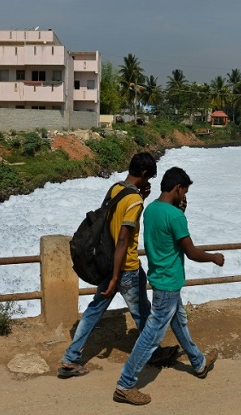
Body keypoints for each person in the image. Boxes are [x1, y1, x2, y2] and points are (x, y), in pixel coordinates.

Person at [58, 152, 179, 378]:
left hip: (108, 262)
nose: (149, 181)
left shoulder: (116, 189)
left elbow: (113, 223)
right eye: (149, 177)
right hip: (125, 267)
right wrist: (116, 278)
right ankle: (152, 355)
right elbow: (124, 238)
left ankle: (71, 358)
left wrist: (140, 196)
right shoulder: (133, 201)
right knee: (144, 314)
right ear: (143, 173)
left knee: (94, 311)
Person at [113, 167, 225, 405]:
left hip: (159, 277)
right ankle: (125, 384)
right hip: (168, 282)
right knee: (151, 335)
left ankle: (199, 363)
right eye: (184, 192)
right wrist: (214, 257)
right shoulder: (175, 216)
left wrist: (178, 210)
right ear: (177, 188)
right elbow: (191, 252)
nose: (184, 196)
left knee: (179, 321)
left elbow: (163, 235)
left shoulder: (151, 209)